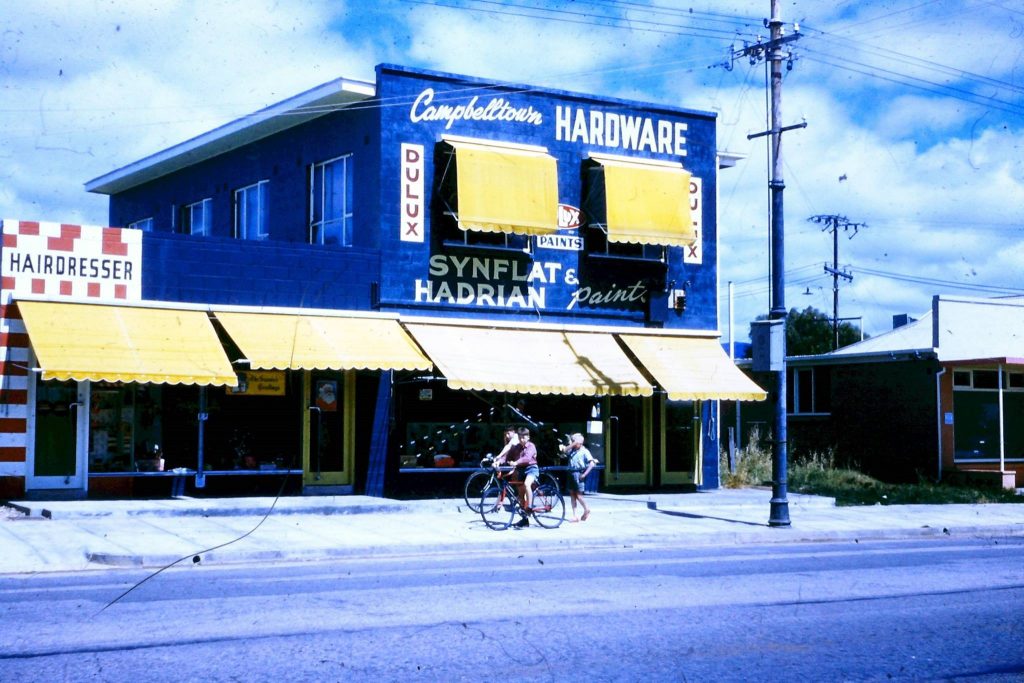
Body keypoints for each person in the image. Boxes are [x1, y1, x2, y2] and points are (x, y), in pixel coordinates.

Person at [497, 427, 538, 527]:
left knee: (527, 484)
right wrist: (498, 461)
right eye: (520, 438)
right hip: (521, 471)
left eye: (523, 438)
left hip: (531, 469)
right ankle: (525, 520)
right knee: (520, 496)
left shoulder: (531, 446)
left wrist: (516, 462)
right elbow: (507, 456)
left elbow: (527, 458)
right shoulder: (517, 447)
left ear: (528, 437)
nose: (521, 440)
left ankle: (530, 506)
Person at [560, 432, 597, 522]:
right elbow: (564, 451)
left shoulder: (584, 451)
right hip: (571, 473)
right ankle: (575, 515)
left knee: (579, 495)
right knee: (572, 494)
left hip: (578, 473)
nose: (573, 443)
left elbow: (592, 463)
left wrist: (584, 474)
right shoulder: (572, 450)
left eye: (574, 442)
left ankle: (586, 509)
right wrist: (572, 444)